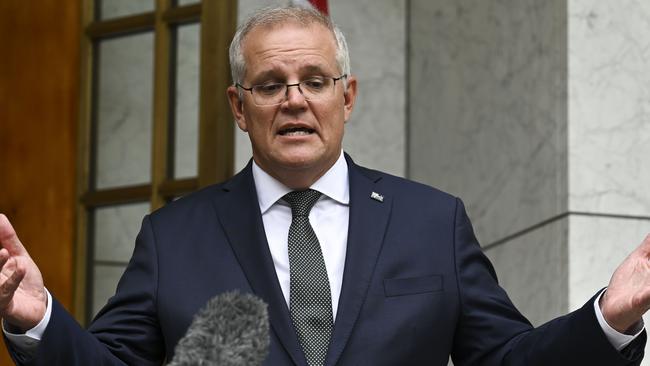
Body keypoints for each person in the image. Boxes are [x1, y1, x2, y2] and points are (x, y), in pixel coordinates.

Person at [0, 5, 649, 366]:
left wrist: (607, 321)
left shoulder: (432, 222)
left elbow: (508, 361)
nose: (294, 101)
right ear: (237, 105)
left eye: (315, 80)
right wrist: (41, 322)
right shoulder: (173, 236)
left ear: (348, 96)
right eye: (269, 84)